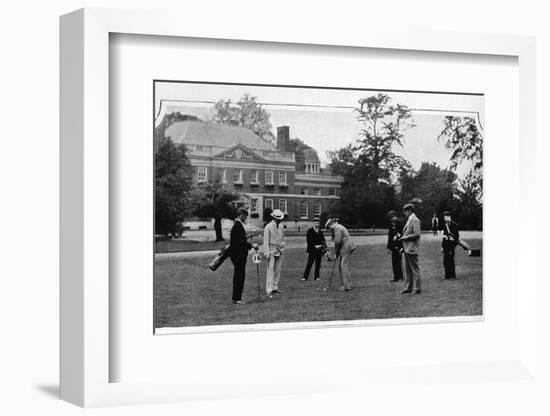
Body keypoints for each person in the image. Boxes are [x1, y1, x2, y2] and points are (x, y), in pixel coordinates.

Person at [229, 208, 258, 304]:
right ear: (241, 215)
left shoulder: (237, 225)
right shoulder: (237, 226)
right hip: (239, 255)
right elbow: (240, 243)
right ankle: (237, 298)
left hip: (237, 255)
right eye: (245, 216)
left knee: (239, 275)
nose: (246, 218)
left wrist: (246, 237)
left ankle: (236, 297)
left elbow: (240, 239)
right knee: (239, 276)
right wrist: (252, 245)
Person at [325, 218, 355, 291]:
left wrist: (336, 253)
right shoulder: (338, 227)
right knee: (342, 265)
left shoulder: (337, 228)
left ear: (331, 224)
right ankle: (349, 284)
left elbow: (338, 242)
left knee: (343, 266)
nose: (329, 230)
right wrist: (336, 253)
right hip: (347, 247)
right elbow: (337, 242)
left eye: (329, 228)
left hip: (346, 247)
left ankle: (346, 286)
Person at [400, 203, 422, 294]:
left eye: (405, 211)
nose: (405, 213)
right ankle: (409, 287)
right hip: (406, 248)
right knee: (407, 269)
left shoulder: (415, 220)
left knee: (415, 269)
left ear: (409, 210)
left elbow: (417, 234)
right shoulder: (409, 220)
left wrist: (406, 237)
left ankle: (417, 288)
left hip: (412, 249)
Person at [263, 209, 286, 297]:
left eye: (280, 218)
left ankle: (275, 287)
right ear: (274, 217)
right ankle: (269, 290)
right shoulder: (268, 227)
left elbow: (283, 238)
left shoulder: (281, 226)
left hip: (280, 250)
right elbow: (265, 241)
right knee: (270, 270)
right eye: (278, 218)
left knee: (277, 269)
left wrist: (283, 245)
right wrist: (267, 253)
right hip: (271, 250)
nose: (280, 220)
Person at [302, 217, 327, 281]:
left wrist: (323, 247)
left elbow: (323, 240)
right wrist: (314, 246)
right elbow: (308, 240)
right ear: (313, 223)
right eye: (316, 223)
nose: (317, 224)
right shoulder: (310, 231)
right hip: (312, 250)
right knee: (309, 264)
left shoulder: (320, 231)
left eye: (318, 223)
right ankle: (305, 277)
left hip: (319, 250)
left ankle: (316, 277)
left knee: (318, 264)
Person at [441, 210, 460, 280]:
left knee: (451, 260)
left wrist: (452, 238)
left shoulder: (455, 225)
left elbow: (457, 236)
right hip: (446, 245)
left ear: (449, 217)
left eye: (445, 217)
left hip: (451, 245)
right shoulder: (445, 225)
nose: (444, 219)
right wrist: (442, 246)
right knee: (445, 261)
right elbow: (443, 236)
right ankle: (447, 275)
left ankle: (452, 276)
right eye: (444, 217)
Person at [386, 210, 404, 282]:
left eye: (393, 217)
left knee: (399, 261)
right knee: (394, 262)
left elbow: (401, 233)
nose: (392, 219)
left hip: (399, 244)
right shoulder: (391, 225)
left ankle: (401, 277)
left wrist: (397, 236)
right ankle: (396, 277)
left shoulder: (400, 223)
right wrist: (388, 247)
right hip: (393, 245)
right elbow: (389, 236)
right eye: (390, 218)